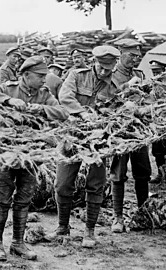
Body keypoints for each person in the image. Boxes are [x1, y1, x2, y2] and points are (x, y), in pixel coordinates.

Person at [0, 56, 68, 261]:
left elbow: (63, 112)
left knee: (24, 199)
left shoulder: (44, 94)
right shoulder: (8, 89)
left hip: (31, 155)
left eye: (45, 76)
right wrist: (8, 100)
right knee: (2, 200)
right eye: (40, 76)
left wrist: (41, 109)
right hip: (5, 153)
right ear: (25, 75)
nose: (44, 80)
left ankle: (18, 243)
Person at [45, 45, 120, 248]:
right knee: (62, 184)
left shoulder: (114, 85)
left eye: (109, 68)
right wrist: (83, 113)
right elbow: (65, 96)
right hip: (73, 136)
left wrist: (106, 120)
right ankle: (62, 227)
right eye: (101, 67)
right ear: (94, 61)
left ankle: (90, 231)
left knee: (96, 184)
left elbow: (117, 109)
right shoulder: (77, 75)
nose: (104, 72)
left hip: (99, 140)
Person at [110, 39, 152, 233]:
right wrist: (127, 87)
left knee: (143, 171)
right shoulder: (110, 74)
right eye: (131, 55)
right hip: (119, 130)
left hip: (138, 130)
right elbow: (109, 100)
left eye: (137, 56)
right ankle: (117, 217)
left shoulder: (139, 74)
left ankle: (143, 213)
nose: (134, 60)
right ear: (120, 53)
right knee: (118, 173)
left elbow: (145, 98)